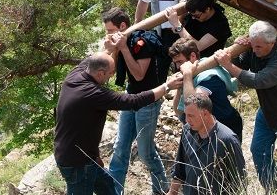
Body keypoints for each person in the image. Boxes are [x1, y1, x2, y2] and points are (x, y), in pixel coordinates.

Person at [54, 52, 183, 195]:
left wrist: (114, 45)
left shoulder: (76, 74)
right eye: (110, 73)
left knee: (107, 185)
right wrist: (167, 86)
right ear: (101, 73)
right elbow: (133, 101)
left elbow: (93, 57)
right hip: (77, 163)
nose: (112, 76)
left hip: (83, 155)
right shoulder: (93, 93)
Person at [215, 21, 277, 194]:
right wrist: (237, 48)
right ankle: (272, 189)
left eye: (258, 47)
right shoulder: (255, 48)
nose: (254, 50)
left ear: (271, 43)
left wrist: (227, 64)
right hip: (266, 113)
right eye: (252, 45)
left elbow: (257, 81)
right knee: (258, 151)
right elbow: (241, 64)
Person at [102, 8, 171, 195]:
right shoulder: (121, 42)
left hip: (148, 100)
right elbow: (110, 72)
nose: (108, 35)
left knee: (145, 153)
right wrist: (113, 49)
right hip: (130, 97)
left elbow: (139, 75)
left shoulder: (142, 41)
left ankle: (161, 188)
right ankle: (115, 191)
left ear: (122, 26)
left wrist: (123, 47)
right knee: (120, 149)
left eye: (110, 30)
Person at [167, 93, 247, 195]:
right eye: (186, 115)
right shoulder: (187, 130)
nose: (187, 120)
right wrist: (172, 192)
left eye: (191, 116)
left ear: (205, 113)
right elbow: (180, 167)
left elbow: (239, 181)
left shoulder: (227, 139)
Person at [169, 38, 243, 139]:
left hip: (224, 131)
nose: (178, 67)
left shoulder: (209, 77)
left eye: (180, 61)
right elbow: (179, 112)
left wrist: (187, 74)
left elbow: (192, 105)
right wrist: (180, 87)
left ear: (193, 56)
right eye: (175, 63)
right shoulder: (190, 77)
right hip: (204, 130)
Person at [166, 0, 231, 59]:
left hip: (204, 62)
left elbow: (197, 46)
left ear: (207, 9)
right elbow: (175, 30)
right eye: (191, 15)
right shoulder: (195, 11)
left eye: (196, 16)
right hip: (184, 57)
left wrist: (177, 24)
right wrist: (180, 15)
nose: (193, 18)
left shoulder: (220, 24)